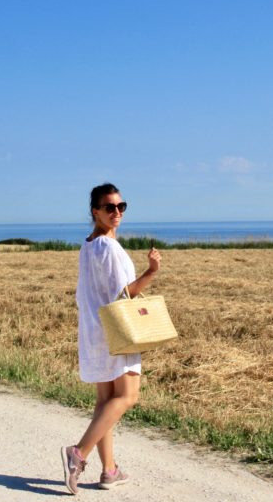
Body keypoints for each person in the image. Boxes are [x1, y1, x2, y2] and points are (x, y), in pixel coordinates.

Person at [61, 183, 161, 494]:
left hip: (93, 330)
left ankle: (109, 471)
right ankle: (77, 455)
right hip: (116, 331)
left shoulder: (88, 245)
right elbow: (125, 294)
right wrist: (152, 271)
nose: (116, 212)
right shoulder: (109, 248)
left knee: (106, 402)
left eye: (121, 206)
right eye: (109, 207)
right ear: (95, 211)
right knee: (127, 397)